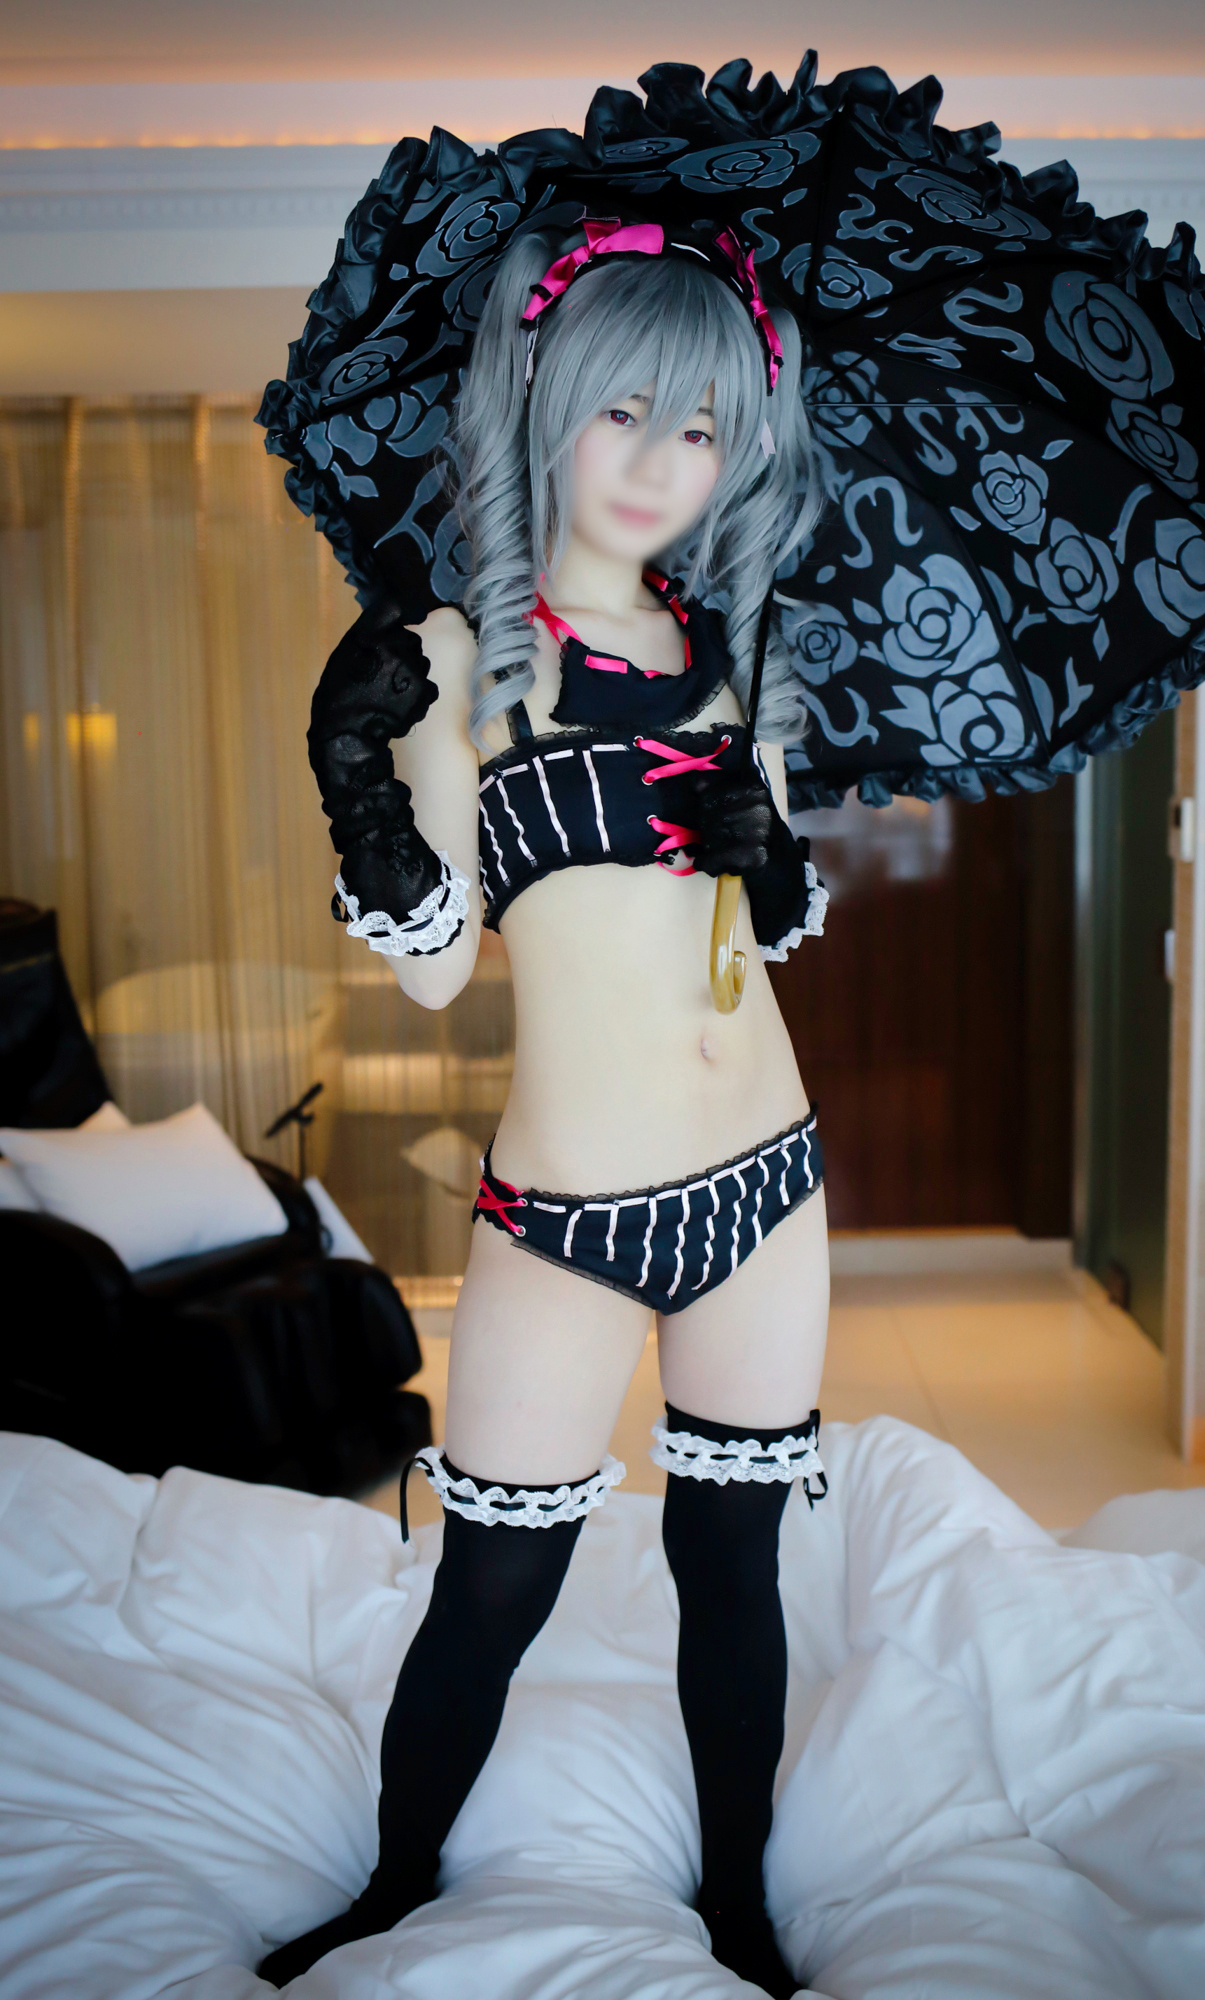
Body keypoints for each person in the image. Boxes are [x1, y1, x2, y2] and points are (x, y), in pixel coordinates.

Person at [259, 222, 831, 1997]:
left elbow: (761, 936)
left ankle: (737, 1910)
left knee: (732, 1570)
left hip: (767, 1182)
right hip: (568, 1211)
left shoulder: (732, 651)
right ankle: (392, 1886)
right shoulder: (460, 655)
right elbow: (437, 969)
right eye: (624, 412)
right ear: (546, 403)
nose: (660, 465)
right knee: (493, 1584)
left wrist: (767, 850)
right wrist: (356, 782)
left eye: (703, 430)